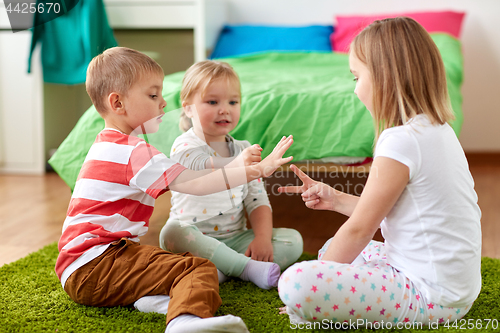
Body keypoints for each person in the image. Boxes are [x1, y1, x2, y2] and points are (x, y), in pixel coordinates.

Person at [55, 47, 294, 333]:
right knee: (196, 268)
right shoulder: (134, 152)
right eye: (153, 95)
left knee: (173, 266)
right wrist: (255, 169)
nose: (163, 103)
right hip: (96, 265)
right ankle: (184, 322)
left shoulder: (106, 144)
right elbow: (196, 182)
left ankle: (156, 300)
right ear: (117, 103)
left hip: (85, 264)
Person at [277, 17, 481, 327]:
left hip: (431, 297)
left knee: (296, 281)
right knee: (330, 248)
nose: (356, 89)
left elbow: (360, 229)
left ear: (384, 78)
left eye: (356, 77)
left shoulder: (400, 141)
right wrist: (335, 199)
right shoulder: (436, 129)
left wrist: (322, 279)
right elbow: (394, 211)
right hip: (455, 289)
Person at [159, 60, 303, 290]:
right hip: (194, 238)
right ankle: (244, 268)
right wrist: (239, 164)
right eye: (212, 101)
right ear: (187, 108)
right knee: (171, 232)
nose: (224, 109)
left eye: (233, 102)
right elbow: (199, 166)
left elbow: (257, 200)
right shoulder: (184, 145)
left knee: (293, 240)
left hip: (235, 239)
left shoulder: (242, 148)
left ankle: (223, 268)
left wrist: (263, 239)